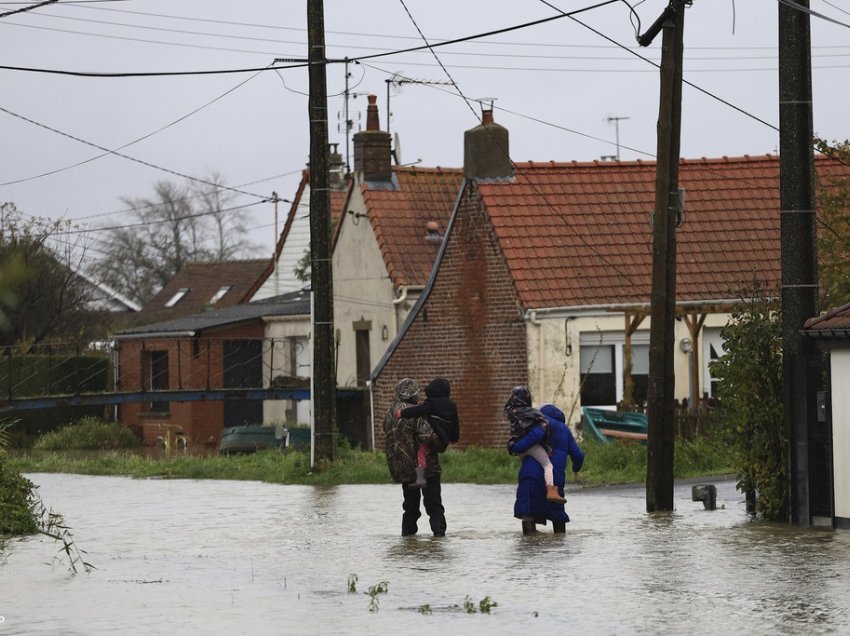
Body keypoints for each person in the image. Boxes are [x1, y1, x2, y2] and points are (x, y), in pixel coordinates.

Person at [384, 377, 447, 537]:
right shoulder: (416, 412)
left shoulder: (390, 414)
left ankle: (408, 538)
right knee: (434, 504)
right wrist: (443, 443)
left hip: (402, 468)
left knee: (410, 507)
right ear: (414, 393)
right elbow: (428, 436)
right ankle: (439, 537)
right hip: (426, 469)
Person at [513, 402, 585, 535]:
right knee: (557, 513)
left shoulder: (532, 424)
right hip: (554, 480)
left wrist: (514, 448)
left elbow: (521, 444)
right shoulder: (564, 430)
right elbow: (578, 455)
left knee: (528, 510)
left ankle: (528, 545)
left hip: (529, 476)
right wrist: (576, 469)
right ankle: (558, 545)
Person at [395, 377, 459, 489]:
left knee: (421, 453)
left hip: (433, 437)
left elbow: (418, 410)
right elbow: (455, 424)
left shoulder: (431, 403)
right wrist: (454, 438)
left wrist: (402, 413)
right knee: (429, 453)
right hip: (443, 441)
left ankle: (420, 479)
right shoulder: (452, 405)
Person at [504, 386, 565, 504]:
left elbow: (507, 406)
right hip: (533, 447)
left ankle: (528, 489)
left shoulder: (510, 412)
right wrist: (547, 445)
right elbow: (545, 426)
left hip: (518, 446)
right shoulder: (533, 412)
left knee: (526, 467)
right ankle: (551, 491)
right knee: (547, 466)